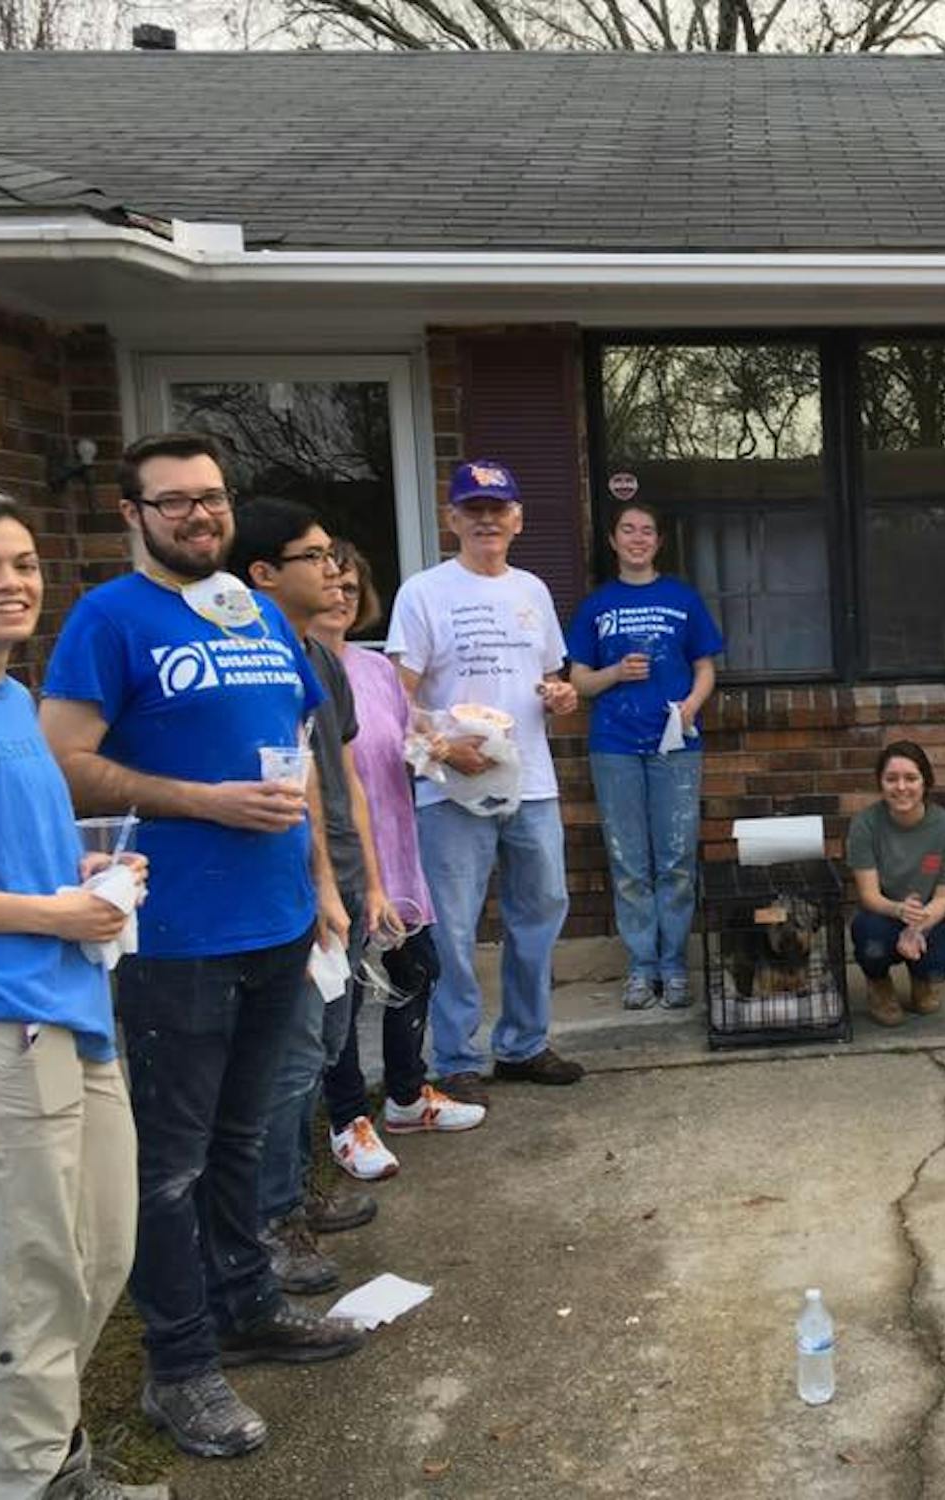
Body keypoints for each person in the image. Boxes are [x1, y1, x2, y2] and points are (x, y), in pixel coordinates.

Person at [39, 433, 364, 1462]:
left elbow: (300, 758)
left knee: (244, 1139)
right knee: (169, 1163)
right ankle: (178, 1368)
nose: (199, 517)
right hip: (173, 934)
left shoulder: (259, 612)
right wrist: (201, 801)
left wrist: (320, 885)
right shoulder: (107, 620)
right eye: (173, 502)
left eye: (212, 499)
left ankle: (248, 1303)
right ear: (133, 514)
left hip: (276, 921)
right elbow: (65, 762)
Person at [0, 486, 163, 1500]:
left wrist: (85, 881)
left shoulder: (12, 700)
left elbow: (0, 853)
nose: (11, 581)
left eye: (22, 562)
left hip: (67, 1006)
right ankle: (36, 1479)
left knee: (98, 1252)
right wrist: (48, 917)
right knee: (32, 1277)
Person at [228, 499, 396, 1303]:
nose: (336, 572)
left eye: (335, 555)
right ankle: (270, 1224)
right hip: (295, 887)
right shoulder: (248, 659)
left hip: (341, 878)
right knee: (289, 1060)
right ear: (263, 574)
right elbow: (282, 784)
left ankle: (297, 1194)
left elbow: (345, 778)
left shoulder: (319, 660)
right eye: (317, 556)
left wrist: (368, 876)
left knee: (327, 1043)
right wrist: (322, 885)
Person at [385, 458, 583, 1102]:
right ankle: (456, 1058)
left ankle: (524, 1044)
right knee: (453, 925)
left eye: (498, 509)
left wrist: (560, 695)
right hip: (452, 787)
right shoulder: (423, 592)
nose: (486, 519)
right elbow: (396, 697)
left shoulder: (533, 591)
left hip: (530, 783)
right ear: (452, 519)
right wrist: (440, 751)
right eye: (473, 509)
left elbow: (556, 676)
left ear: (517, 519)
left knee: (542, 909)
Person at [315, 540, 485, 1140]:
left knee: (415, 967)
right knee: (346, 994)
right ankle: (346, 1120)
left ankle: (407, 1098)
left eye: (351, 589)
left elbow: (402, 741)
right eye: (328, 583)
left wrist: (434, 746)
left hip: (395, 843)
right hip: (337, 857)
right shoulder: (296, 670)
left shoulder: (375, 668)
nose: (338, 597)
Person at [566, 502, 723, 1011]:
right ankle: (641, 968)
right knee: (630, 863)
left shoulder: (682, 598)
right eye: (627, 530)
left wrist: (692, 705)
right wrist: (615, 673)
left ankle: (674, 966)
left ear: (658, 542)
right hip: (614, 746)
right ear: (613, 540)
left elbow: (705, 666)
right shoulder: (597, 605)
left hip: (675, 746)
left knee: (677, 861)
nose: (637, 538)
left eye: (647, 531)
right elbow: (578, 680)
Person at [845, 741, 945, 1027]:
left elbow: (943, 898)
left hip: (930, 916)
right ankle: (879, 985)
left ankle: (922, 980)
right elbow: (868, 895)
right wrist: (900, 911)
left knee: (939, 963)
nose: (901, 787)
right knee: (870, 939)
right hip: (884, 913)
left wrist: (918, 926)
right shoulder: (865, 825)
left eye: (910, 778)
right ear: (881, 783)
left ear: (925, 782)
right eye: (892, 779)